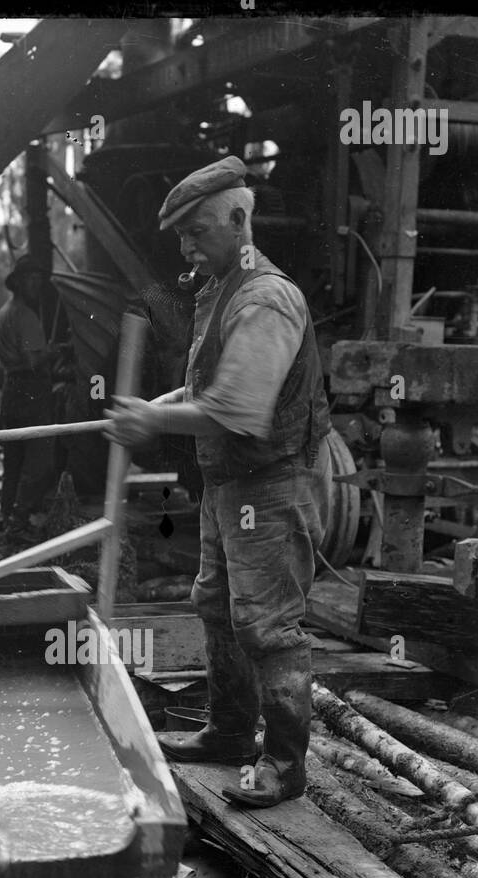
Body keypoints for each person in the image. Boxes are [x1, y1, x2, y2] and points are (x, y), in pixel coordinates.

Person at [105, 155, 331, 809]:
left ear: (238, 219)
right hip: (228, 481)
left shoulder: (265, 298)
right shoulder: (220, 288)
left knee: (269, 625)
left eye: (197, 230)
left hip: (271, 480)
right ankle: (229, 732)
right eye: (179, 234)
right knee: (217, 605)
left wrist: (152, 417)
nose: (186, 245)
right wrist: (161, 404)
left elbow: (238, 408)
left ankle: (285, 765)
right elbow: (212, 386)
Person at [0, 255, 62, 543]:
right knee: (40, 461)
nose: (36, 284)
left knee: (15, 459)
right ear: (18, 283)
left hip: (11, 390)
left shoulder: (4, 312)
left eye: (38, 279)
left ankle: (8, 517)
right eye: (30, 279)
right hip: (30, 389)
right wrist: (58, 350)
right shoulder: (25, 316)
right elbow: (34, 360)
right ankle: (18, 523)